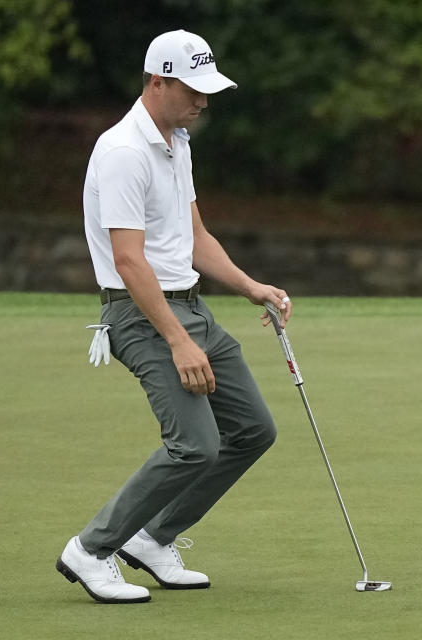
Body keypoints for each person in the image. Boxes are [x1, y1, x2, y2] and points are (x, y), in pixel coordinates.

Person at [56, 29, 292, 604]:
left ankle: (155, 538)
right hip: (140, 314)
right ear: (157, 81)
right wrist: (179, 342)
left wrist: (250, 286)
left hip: (188, 303)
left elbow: (193, 236)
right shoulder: (123, 152)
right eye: (192, 89)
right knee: (194, 444)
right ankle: (90, 550)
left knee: (253, 429)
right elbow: (128, 260)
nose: (203, 101)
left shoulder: (176, 140)